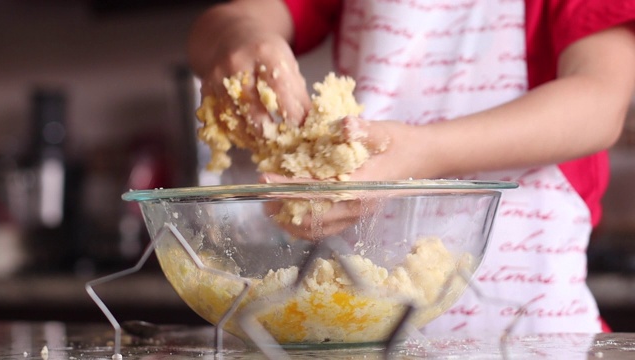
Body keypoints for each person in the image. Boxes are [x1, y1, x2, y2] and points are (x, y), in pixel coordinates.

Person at [187, 0, 635, 336]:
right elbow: (218, 26)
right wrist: (244, 38)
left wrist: (422, 153)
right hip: (370, 325)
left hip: (535, 319)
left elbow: (598, 101)